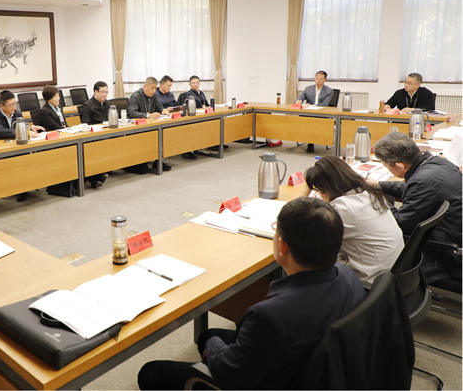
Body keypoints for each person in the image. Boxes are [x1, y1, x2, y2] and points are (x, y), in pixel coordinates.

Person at [137, 197, 366, 390]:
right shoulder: (349, 278)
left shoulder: (269, 316)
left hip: (277, 379)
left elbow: (231, 375)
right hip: (316, 368)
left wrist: (213, 344)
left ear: (283, 246)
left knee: (151, 372)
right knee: (209, 335)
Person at [372, 132, 462, 280]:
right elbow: (413, 190)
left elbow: (400, 225)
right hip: (453, 232)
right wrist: (378, 185)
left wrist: (382, 201)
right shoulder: (436, 163)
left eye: (386, 166)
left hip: (444, 253)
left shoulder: (422, 182)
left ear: (400, 166)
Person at [304, 156, 404, 287]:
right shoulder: (369, 193)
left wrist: (306, 190)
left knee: (305, 254)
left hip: (371, 284)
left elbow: (304, 229)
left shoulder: (341, 209)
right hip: (393, 273)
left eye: (319, 191)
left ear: (327, 188)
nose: (320, 196)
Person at [128, 77, 172, 171]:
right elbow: (131, 113)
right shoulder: (136, 96)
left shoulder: (153, 96)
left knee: (163, 133)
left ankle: (157, 161)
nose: (154, 90)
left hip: (151, 125)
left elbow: (159, 107)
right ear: (145, 87)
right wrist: (148, 115)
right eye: (152, 88)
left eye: (155, 88)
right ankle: (141, 162)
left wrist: (163, 110)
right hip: (137, 127)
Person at [296, 70, 334, 153]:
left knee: (311, 120)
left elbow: (324, 105)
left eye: (321, 79)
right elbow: (299, 100)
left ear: (325, 80)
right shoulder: (308, 89)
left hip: (321, 114)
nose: (318, 81)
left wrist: (310, 105)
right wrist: (299, 102)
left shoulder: (329, 91)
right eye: (317, 78)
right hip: (309, 114)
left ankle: (311, 143)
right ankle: (310, 141)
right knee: (304, 118)